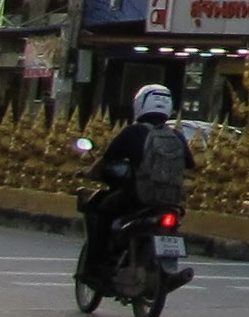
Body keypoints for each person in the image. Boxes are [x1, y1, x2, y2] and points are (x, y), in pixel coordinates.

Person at [76, 83, 190, 292]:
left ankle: (95, 270)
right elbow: (190, 165)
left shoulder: (133, 132)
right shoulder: (177, 136)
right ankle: (165, 274)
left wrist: (88, 173)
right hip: (171, 200)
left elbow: (106, 160)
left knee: (101, 213)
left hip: (138, 197)